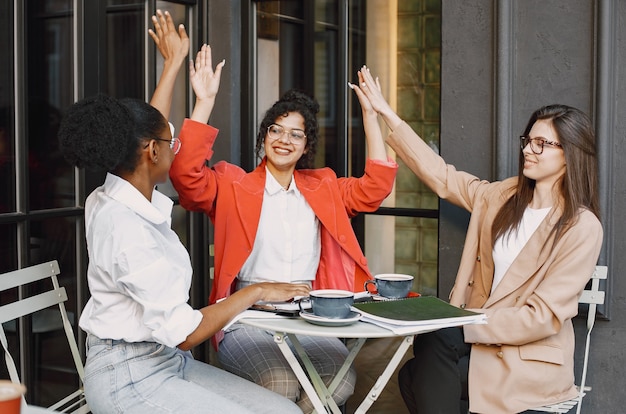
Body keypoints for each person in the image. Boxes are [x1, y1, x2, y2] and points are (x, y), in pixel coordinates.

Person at [57, 10, 308, 414]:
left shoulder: (117, 190)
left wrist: (172, 64)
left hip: (166, 362)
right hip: (128, 378)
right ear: (151, 152)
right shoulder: (124, 227)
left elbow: (144, 131)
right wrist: (254, 291)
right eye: (169, 141)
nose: (176, 145)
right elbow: (185, 332)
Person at [165, 37, 398, 411]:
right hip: (247, 316)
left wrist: (371, 117)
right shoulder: (233, 184)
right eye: (275, 130)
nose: (284, 139)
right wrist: (204, 102)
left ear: (307, 146)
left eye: (295, 133)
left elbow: (374, 189)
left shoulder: (323, 186)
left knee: (338, 386)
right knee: (279, 382)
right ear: (264, 137)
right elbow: (186, 177)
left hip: (311, 314)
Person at [352, 68, 603, 414]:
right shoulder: (501, 196)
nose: (529, 149)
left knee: (416, 373)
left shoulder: (581, 226)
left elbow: (540, 318)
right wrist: (386, 113)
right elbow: (443, 178)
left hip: (523, 356)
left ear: (570, 154)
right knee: (429, 346)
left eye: (542, 144)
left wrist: (468, 321)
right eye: (528, 140)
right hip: (478, 342)